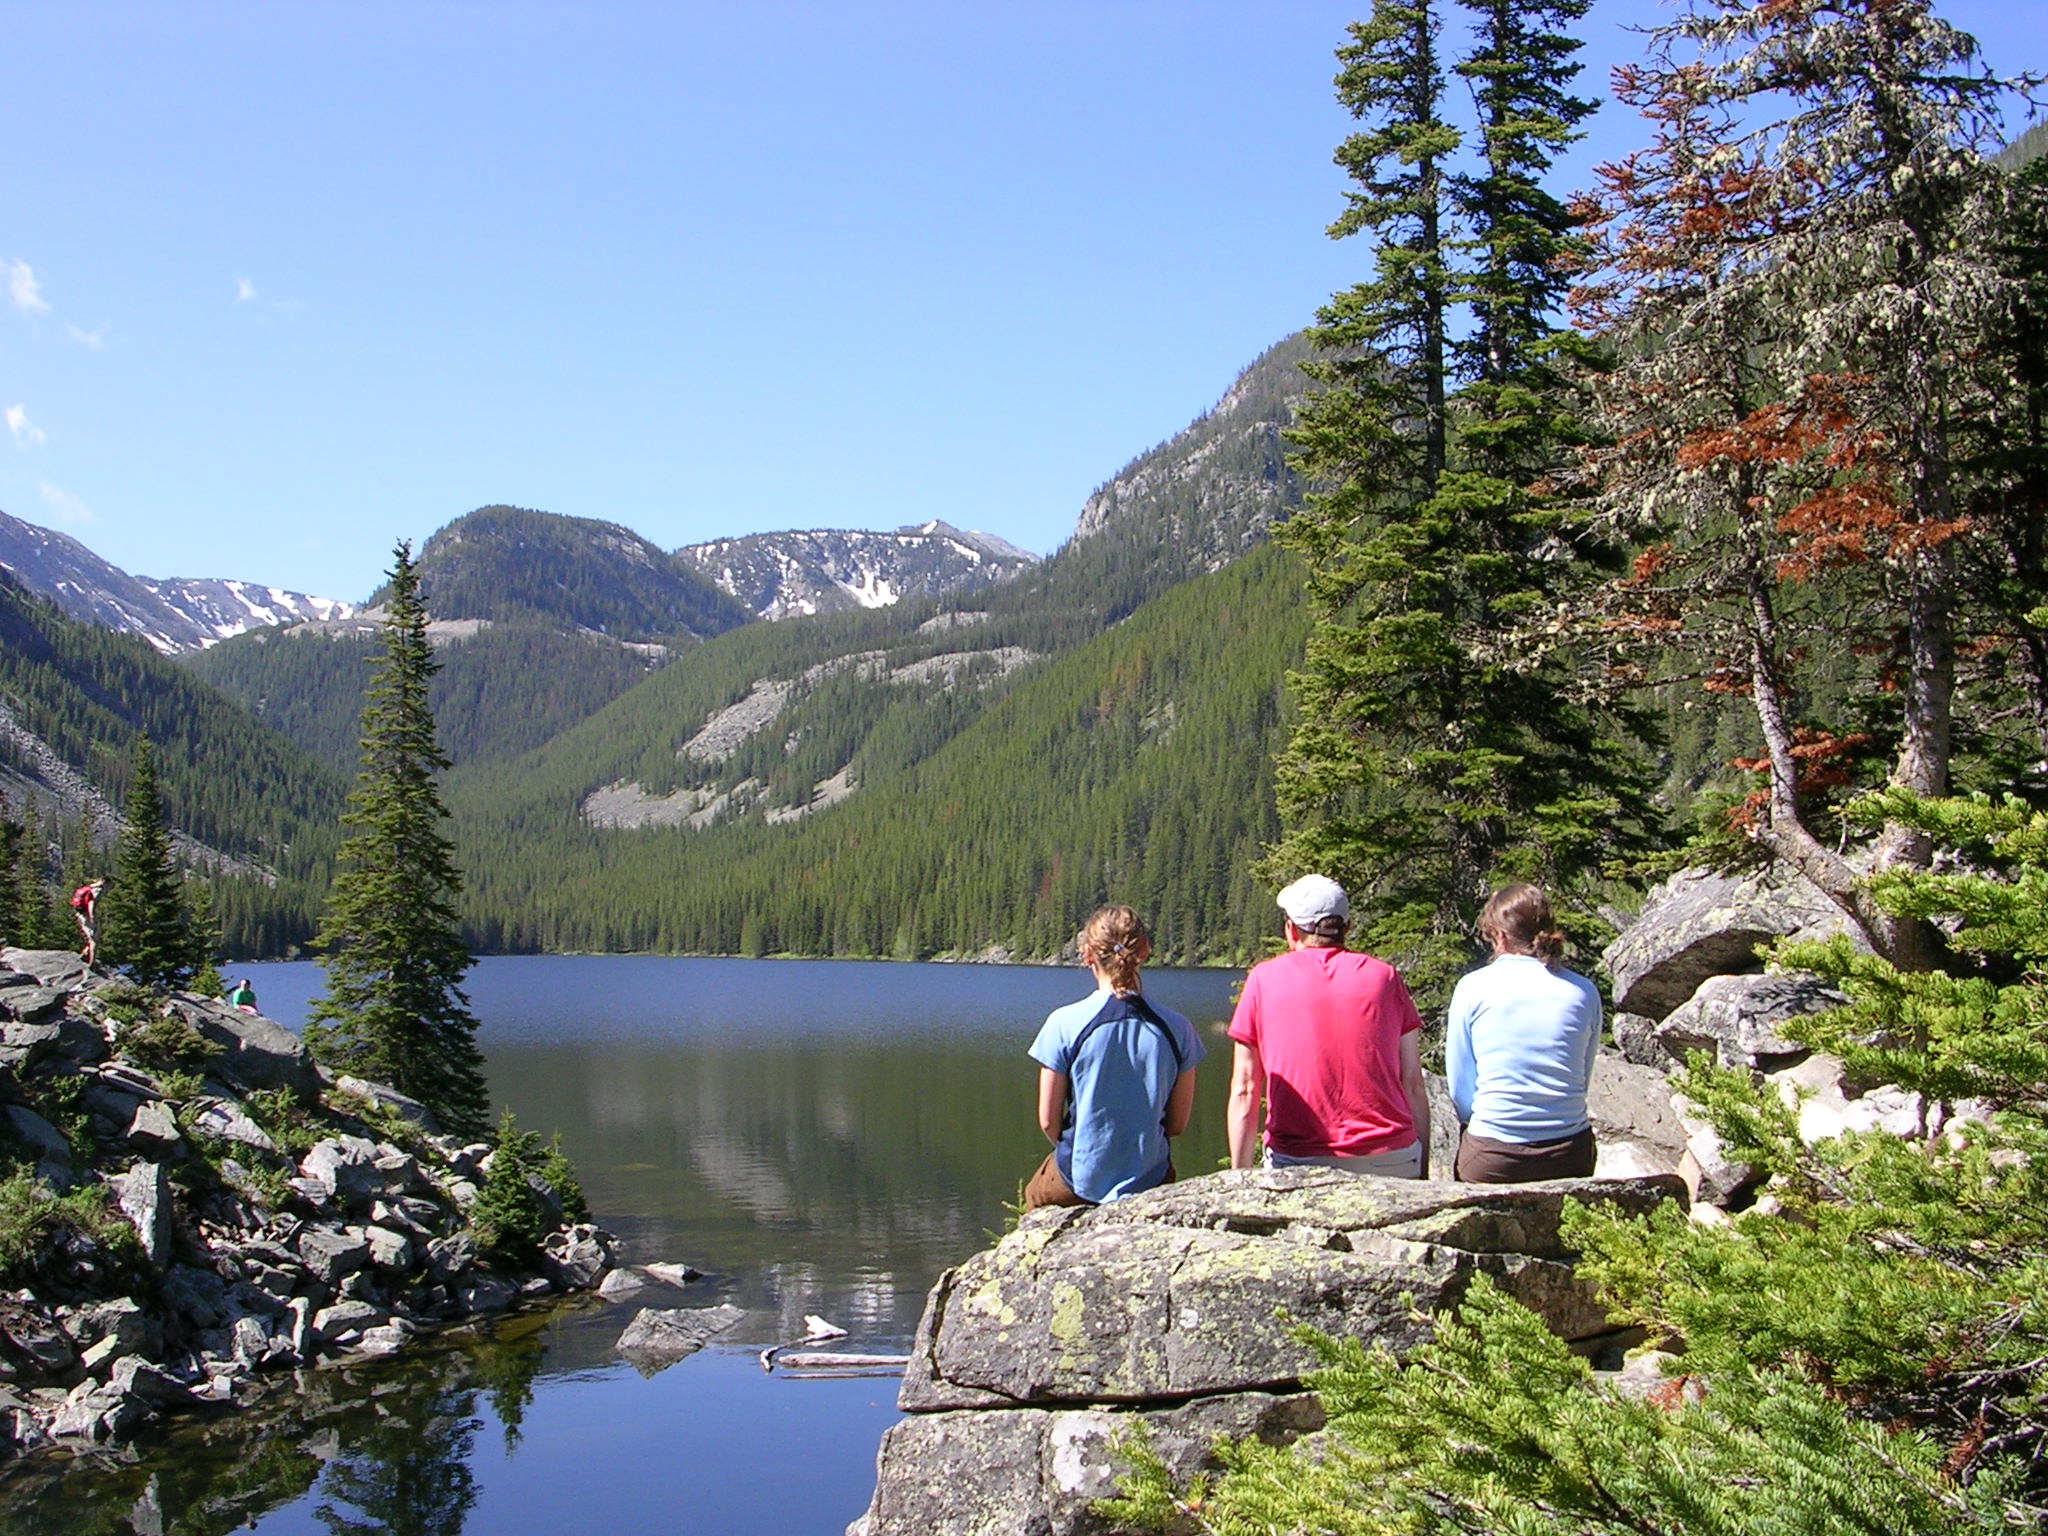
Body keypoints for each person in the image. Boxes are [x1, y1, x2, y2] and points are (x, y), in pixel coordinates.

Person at [1226, 874, 1429, 1177]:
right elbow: (1412, 1081)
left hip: (1296, 1163)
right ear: (1345, 928)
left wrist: (1238, 1180)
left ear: (1291, 930)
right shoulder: (1385, 978)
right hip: (1390, 1161)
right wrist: (1422, 1173)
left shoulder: (1262, 979)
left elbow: (1245, 1089)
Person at [1024, 905, 1204, 1209]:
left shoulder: (1063, 1023)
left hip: (1078, 1181)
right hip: (1150, 1179)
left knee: (1035, 1196)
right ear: (1144, 951)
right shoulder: (1177, 1028)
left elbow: (1047, 1120)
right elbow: (1176, 1124)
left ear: (1087, 954)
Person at [1445, 883, 1602, 1183]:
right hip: (1569, 1152)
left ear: (1500, 937)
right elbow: (1582, 1077)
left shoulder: (1472, 987)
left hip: (1495, 1157)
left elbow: (1461, 1089)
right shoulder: (1584, 991)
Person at [71, 877, 106, 966]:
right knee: (94, 939)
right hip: (87, 915)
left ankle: (86, 953)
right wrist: (92, 917)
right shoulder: (98, 891)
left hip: (80, 913)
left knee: (91, 936)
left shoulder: (89, 887)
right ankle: (92, 962)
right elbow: (91, 904)